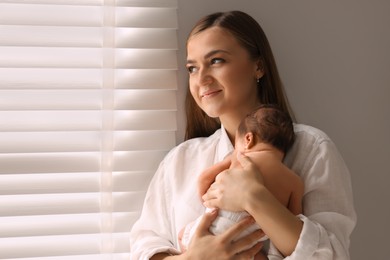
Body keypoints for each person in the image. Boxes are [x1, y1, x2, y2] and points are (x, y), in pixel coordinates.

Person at [130, 10, 356, 260]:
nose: (201, 78)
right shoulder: (180, 160)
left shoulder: (312, 148)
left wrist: (254, 197)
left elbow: (332, 255)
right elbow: (144, 247)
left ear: (258, 66)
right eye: (192, 68)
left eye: (216, 61)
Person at [178, 104, 304, 258]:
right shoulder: (295, 182)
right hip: (253, 235)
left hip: (219, 223)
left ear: (248, 139)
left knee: (182, 236)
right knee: (257, 254)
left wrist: (207, 198)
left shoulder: (240, 157)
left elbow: (205, 178)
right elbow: (295, 224)